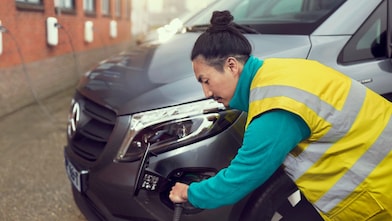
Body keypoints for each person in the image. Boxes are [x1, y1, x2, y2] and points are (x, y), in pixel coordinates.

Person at [169, 10, 392, 220]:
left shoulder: (275, 108)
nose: (206, 93)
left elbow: (240, 179)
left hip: (378, 191)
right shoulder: (278, 71)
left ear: (231, 66)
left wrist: (190, 193)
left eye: (206, 81)